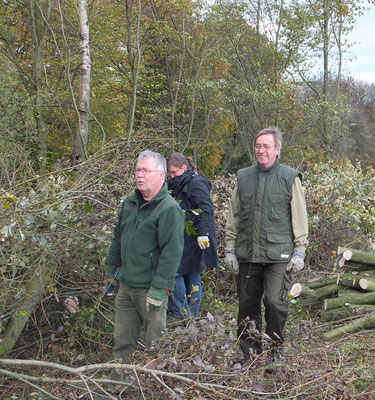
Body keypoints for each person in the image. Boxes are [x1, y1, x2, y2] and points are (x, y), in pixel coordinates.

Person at [224, 127, 308, 367]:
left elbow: (299, 217)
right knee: (247, 305)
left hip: (278, 255)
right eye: (258, 146)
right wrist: (230, 248)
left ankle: (275, 350)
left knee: (274, 302)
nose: (261, 150)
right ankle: (250, 353)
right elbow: (234, 215)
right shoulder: (244, 177)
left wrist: (299, 251)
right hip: (248, 253)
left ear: (277, 149)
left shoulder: (290, 178)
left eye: (266, 146)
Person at [104, 150, 184, 380]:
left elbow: (172, 253)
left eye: (145, 171)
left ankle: (153, 387)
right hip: (127, 286)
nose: (140, 175)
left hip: (151, 291)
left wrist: (159, 288)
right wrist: (112, 265)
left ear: (161, 175)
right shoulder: (129, 203)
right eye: (138, 170)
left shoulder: (169, 209)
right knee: (122, 342)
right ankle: (116, 388)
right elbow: (118, 237)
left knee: (154, 346)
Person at [166, 153, 218, 320]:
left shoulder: (196, 183)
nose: (172, 176)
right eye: (170, 173)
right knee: (186, 273)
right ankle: (188, 317)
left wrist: (203, 234)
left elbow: (206, 209)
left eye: (175, 172)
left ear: (184, 168)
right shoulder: (176, 185)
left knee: (180, 273)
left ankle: (186, 316)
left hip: (194, 239)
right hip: (181, 237)